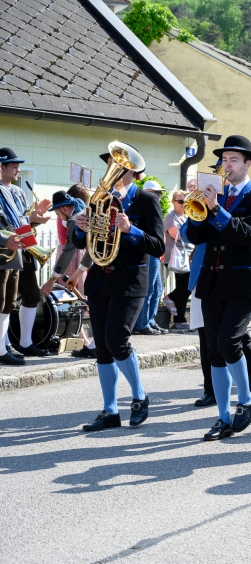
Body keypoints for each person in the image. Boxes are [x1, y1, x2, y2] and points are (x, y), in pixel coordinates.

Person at [71, 144, 164, 431]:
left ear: (131, 172)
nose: (111, 169)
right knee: (102, 348)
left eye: (117, 165)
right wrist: (80, 228)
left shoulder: (146, 201)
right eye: (110, 163)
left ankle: (139, 397)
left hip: (130, 281)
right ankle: (110, 411)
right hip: (101, 279)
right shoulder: (100, 199)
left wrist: (131, 230)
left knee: (117, 340)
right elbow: (79, 243)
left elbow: (158, 245)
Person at [186, 135, 251, 441]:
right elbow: (195, 236)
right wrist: (197, 206)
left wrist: (217, 210)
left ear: (249, 164)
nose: (228, 165)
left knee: (228, 342)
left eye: (234, 160)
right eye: (225, 160)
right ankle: (222, 417)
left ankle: (246, 399)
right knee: (214, 352)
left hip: (242, 283)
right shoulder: (213, 194)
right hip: (211, 281)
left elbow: (248, 234)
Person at [0, 148, 52, 358]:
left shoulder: (18, 191)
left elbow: (21, 221)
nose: (18, 170)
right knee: (2, 301)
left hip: (21, 250)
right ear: (1, 167)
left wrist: (34, 218)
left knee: (12, 301)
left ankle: (10, 346)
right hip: (4, 252)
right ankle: (3, 348)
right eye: (14, 166)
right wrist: (5, 239)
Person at [40, 189, 98, 358]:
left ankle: (94, 345)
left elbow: (68, 252)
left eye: (57, 213)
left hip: (98, 263)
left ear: (63, 208)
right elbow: (91, 251)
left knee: (88, 303)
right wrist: (77, 274)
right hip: (94, 260)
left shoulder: (74, 219)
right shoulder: (83, 209)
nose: (58, 216)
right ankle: (92, 344)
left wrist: (52, 279)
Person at [132, 180, 168, 336]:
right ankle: (142, 323)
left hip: (154, 253)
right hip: (148, 253)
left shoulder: (152, 205)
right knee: (149, 289)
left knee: (157, 289)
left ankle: (150, 321)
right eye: (157, 194)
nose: (160, 197)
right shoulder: (144, 206)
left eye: (160, 194)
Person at [162, 188, 193, 330]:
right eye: (180, 201)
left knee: (185, 286)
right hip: (175, 255)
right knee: (186, 283)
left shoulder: (187, 216)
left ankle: (179, 319)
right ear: (174, 202)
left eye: (185, 201)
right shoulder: (171, 216)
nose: (183, 204)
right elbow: (175, 234)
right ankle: (171, 298)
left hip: (186, 255)